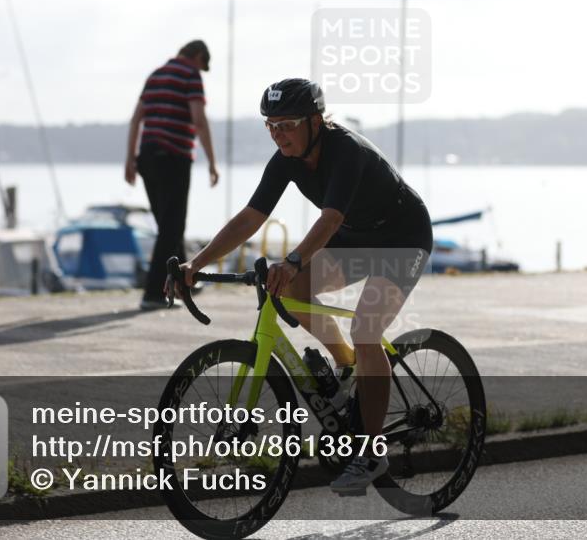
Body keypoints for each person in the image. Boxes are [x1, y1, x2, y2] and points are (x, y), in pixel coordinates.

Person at [171, 78, 432, 494]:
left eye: (287, 124)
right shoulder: (286, 159)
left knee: (366, 330)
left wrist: (293, 260)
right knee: (290, 291)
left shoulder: (345, 150)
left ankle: (370, 449)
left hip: (402, 239)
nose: (279, 134)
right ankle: (346, 365)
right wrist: (196, 262)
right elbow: (250, 218)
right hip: (357, 238)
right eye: (270, 126)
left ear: (315, 121)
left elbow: (329, 219)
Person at [126, 40, 219, 310]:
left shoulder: (156, 75)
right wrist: (212, 161)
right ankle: (153, 294)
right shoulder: (190, 74)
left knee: (167, 223)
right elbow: (198, 120)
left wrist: (129, 159)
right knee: (171, 226)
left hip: (147, 157)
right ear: (198, 56)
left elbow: (136, 119)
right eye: (204, 66)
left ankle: (183, 281)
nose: (202, 70)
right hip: (174, 157)